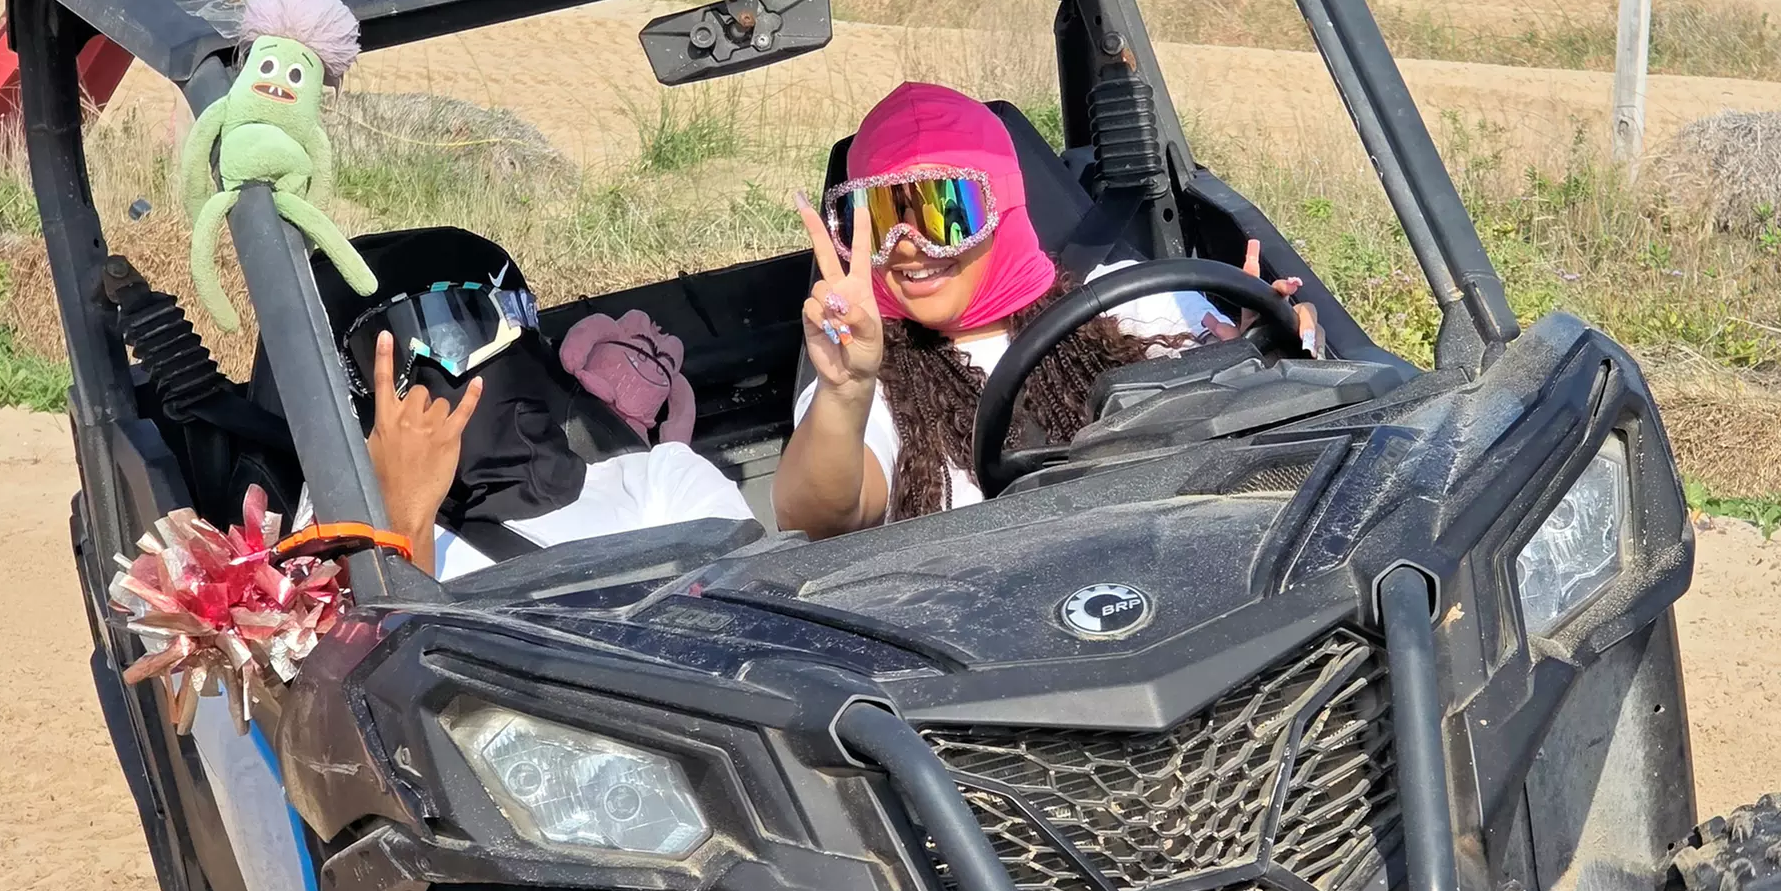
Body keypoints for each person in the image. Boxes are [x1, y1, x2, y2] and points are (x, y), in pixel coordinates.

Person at [772, 82, 1315, 539]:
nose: (909, 244)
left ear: (1002, 205)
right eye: (885, 215)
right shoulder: (862, 369)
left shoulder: (1135, 300)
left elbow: (1259, 450)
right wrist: (844, 392)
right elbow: (815, 520)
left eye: (945, 213)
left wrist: (1257, 361)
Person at [298, 227, 754, 580]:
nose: (424, 372)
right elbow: (389, 678)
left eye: (459, 331)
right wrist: (403, 521)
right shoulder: (337, 554)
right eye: (396, 352)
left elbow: (764, 623)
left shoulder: (662, 479)